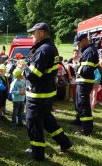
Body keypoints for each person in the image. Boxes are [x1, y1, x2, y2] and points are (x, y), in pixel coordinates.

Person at [19, 22, 72, 161]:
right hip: (47, 93)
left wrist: (23, 67)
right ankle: (65, 142)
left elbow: (33, 74)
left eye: (33, 32)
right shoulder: (50, 47)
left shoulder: (43, 50)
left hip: (38, 95)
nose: (31, 35)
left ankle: (37, 153)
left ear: (42, 33)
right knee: (47, 120)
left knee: (33, 123)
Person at [70, 33, 99, 136]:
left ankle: (86, 129)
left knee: (83, 104)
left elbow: (87, 69)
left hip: (85, 82)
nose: (78, 46)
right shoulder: (87, 50)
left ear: (84, 40)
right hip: (82, 81)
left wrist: (76, 67)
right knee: (78, 102)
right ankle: (79, 120)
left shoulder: (90, 51)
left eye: (78, 43)